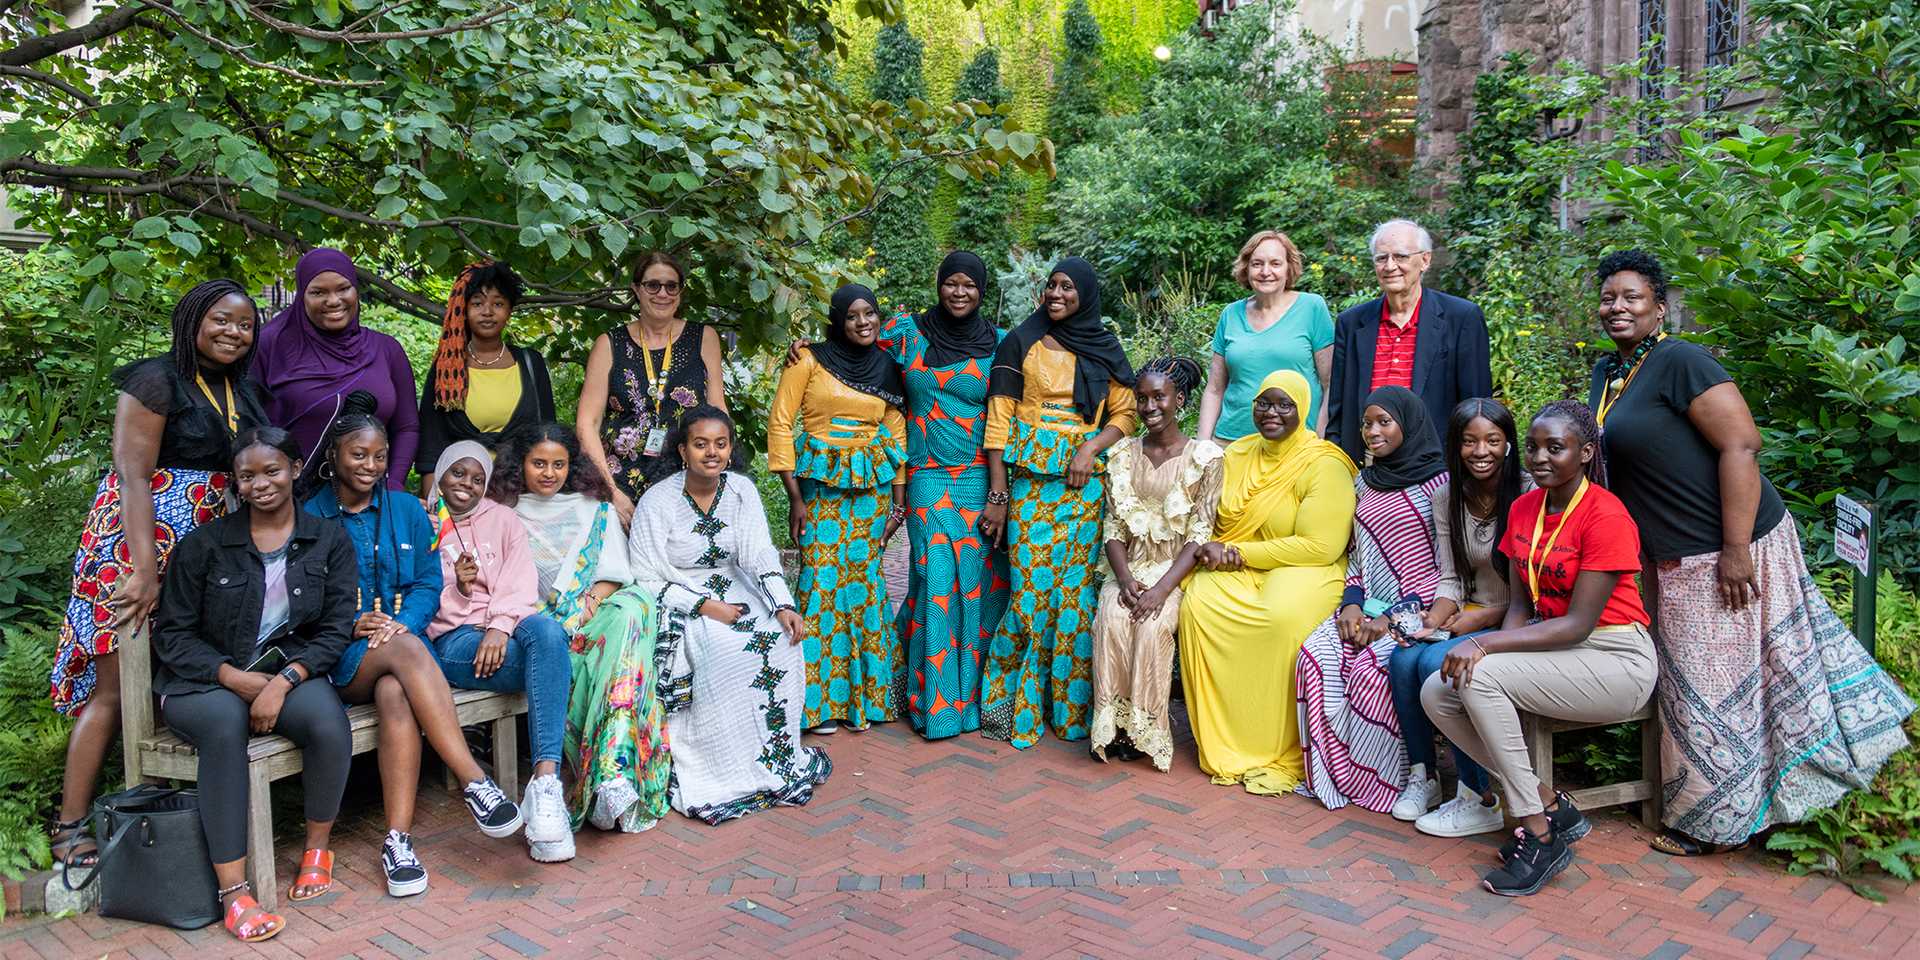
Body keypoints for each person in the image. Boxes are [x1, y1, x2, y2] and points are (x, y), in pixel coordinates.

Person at [1586, 250, 1914, 856]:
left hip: (1725, 547)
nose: (1617, 307)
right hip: (1670, 555)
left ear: (1660, 307)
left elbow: (1741, 445)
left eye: (1632, 296)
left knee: (1714, 692)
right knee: (1694, 688)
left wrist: (1736, 550)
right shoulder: (1610, 372)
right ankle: (1732, 808)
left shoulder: (1681, 361)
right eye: (1608, 297)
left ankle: (1713, 826)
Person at [50, 280, 269, 870]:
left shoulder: (241, 389)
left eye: (245, 325)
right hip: (134, 544)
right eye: (221, 320)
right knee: (115, 690)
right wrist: (144, 568)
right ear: (193, 319)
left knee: (177, 674)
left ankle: (158, 810)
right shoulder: (155, 379)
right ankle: (70, 824)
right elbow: (133, 475)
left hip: (202, 550)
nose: (233, 332)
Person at [1421, 400, 1660, 897]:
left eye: (1557, 447)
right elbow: (1519, 606)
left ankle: (1540, 832)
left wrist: (1484, 646)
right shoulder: (1524, 508)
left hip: (1615, 658)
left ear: (1586, 452)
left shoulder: (1605, 515)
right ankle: (1550, 802)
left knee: (1479, 674)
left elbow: (1575, 625)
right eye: (1532, 446)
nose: (1541, 457)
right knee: (1437, 690)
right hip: (1554, 649)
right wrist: (1493, 645)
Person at [302, 393, 524, 898]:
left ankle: (397, 843)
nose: (371, 465)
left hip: (402, 660)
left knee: (396, 692)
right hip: (342, 657)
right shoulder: (310, 517)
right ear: (334, 455)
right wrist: (359, 621)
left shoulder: (407, 509)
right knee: (405, 650)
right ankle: (474, 781)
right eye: (359, 455)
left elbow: (428, 581)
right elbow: (307, 598)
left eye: (380, 456)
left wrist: (400, 622)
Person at [151, 426, 355, 941]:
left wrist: (284, 681)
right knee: (224, 726)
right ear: (236, 483)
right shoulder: (205, 546)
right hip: (201, 682)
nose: (260, 483)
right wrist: (235, 680)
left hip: (284, 671)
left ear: (294, 467)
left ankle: (315, 850)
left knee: (327, 721)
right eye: (247, 475)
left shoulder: (326, 538)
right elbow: (173, 635)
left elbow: (335, 626)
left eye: (272, 470)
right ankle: (234, 894)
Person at [629, 407, 831, 824]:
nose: (712, 453)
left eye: (720, 444)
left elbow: (758, 554)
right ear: (682, 449)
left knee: (779, 640)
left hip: (736, 583)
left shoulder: (741, 490)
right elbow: (644, 576)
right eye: (701, 444)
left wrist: (783, 604)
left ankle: (773, 758)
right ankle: (719, 768)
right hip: (683, 592)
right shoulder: (658, 499)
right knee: (721, 648)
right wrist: (704, 606)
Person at [980, 256, 1137, 749]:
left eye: (1068, 287)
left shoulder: (1104, 345)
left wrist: (1091, 447)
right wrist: (999, 497)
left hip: (1082, 489)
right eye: (1052, 285)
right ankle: (1013, 707)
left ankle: (1069, 711)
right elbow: (999, 425)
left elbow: (1126, 412)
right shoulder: (1019, 342)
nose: (1058, 294)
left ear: (1086, 293)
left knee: (1073, 598)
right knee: (1029, 592)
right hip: (1029, 486)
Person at [1178, 371, 1357, 794]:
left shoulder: (1324, 463)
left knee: (1278, 617)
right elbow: (1213, 519)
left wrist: (1237, 553)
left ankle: (1279, 746)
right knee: (1199, 602)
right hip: (1239, 567)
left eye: (1284, 405)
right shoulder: (1237, 453)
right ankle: (1228, 739)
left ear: (1304, 409)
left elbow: (1320, 546)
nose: (1271, 412)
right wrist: (1225, 552)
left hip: (1304, 568)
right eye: (1263, 402)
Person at [495, 424, 672, 833]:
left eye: (559, 464)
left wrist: (589, 605)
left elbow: (614, 575)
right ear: (520, 464)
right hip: (542, 628)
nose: (548, 473)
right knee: (616, 659)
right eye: (538, 463)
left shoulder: (593, 507)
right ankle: (613, 773)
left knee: (635, 607)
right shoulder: (504, 514)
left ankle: (611, 775)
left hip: (596, 616)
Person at [1296, 386, 1448, 812]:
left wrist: (1396, 617)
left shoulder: (1439, 483)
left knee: (1368, 669)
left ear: (1409, 423)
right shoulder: (1364, 482)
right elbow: (1358, 557)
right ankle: (1339, 775)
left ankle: (1410, 779)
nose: (1372, 431)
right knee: (1315, 654)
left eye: (1384, 422)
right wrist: (1351, 605)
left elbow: (1447, 570)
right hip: (1369, 604)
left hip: (1424, 610)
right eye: (1367, 423)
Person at [424, 441, 576, 862]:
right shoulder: (423, 524)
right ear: (440, 474)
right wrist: (459, 587)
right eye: (457, 473)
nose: (466, 485)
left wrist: (498, 626)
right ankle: (548, 800)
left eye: (477, 478)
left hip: (505, 628)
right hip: (455, 639)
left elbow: (520, 582)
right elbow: (421, 601)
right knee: (553, 662)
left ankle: (544, 782)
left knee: (547, 632)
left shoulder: (503, 519)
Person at [770, 284, 908, 733]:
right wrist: (794, 496)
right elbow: (780, 422)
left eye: (870, 313)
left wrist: (900, 499)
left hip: (869, 493)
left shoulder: (887, 367)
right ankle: (815, 705)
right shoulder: (807, 360)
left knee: (865, 587)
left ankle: (862, 702)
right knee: (819, 585)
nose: (863, 322)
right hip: (819, 492)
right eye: (852, 315)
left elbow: (896, 431)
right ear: (837, 320)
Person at [884, 251, 1011, 740]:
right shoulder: (907, 332)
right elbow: (853, 338)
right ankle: (933, 707)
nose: (959, 293)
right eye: (951, 284)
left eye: (969, 286)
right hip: (926, 477)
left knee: (978, 585)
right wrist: (805, 352)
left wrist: (1000, 495)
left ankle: (974, 704)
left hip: (979, 479)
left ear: (981, 290)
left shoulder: (1003, 343)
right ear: (938, 285)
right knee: (935, 581)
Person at [1392, 398, 1525, 836]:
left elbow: (1537, 595)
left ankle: (1478, 795)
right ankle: (1424, 777)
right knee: (1405, 656)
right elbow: (1451, 577)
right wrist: (1434, 620)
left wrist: (1482, 618)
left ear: (1508, 444)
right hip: (1468, 612)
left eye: (1492, 440)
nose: (1480, 451)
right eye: (1469, 441)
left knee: (1437, 665)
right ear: (1456, 445)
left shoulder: (1527, 493)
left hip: (1516, 619)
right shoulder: (1447, 495)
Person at [1089, 357, 1223, 771]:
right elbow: (1113, 526)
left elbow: (1200, 532)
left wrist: (1163, 590)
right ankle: (1114, 728)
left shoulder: (1205, 457)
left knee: (1153, 626)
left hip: (1176, 572)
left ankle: (1146, 730)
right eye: (1142, 398)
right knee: (1111, 617)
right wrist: (1125, 577)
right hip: (1128, 568)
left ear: (1179, 400)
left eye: (1159, 397)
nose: (1149, 407)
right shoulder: (1122, 454)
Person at [577, 251, 731, 523]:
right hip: (620, 480)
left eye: (671, 286)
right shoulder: (609, 343)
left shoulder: (704, 338)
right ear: (636, 289)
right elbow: (587, 423)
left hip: (687, 478)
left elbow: (718, 409)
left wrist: (722, 471)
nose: (663, 293)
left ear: (680, 291)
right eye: (653, 285)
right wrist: (610, 491)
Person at [1324, 220, 1492, 464]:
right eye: (1381, 258)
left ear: (1425, 260)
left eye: (1400, 256)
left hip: (1434, 465)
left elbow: (1477, 407)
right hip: (1366, 464)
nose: (1390, 266)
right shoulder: (1351, 323)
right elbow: (1338, 410)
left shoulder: (1461, 318)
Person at [252, 248, 419, 487]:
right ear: (302, 296)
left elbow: (407, 427)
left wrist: (394, 486)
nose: (333, 301)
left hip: (370, 501)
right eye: (318, 292)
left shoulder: (386, 350)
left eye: (343, 288)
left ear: (356, 290)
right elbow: (249, 425)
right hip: (292, 501)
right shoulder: (271, 346)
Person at [417, 261, 557, 499]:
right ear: (464, 309)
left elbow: (548, 437)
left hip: (521, 498)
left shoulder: (531, 363)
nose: (487, 312)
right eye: (478, 303)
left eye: (498, 304)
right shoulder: (446, 369)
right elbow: (431, 449)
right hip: (461, 500)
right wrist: (436, 511)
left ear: (509, 311)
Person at [1196, 229, 1336, 441]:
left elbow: (1330, 384)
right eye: (1257, 263)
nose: (1265, 271)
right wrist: (1203, 444)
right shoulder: (1230, 314)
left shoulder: (1312, 307)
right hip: (1232, 442)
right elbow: (1215, 389)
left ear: (1289, 267)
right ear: (1247, 268)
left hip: (1295, 445)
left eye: (1275, 263)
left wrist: (1320, 440)